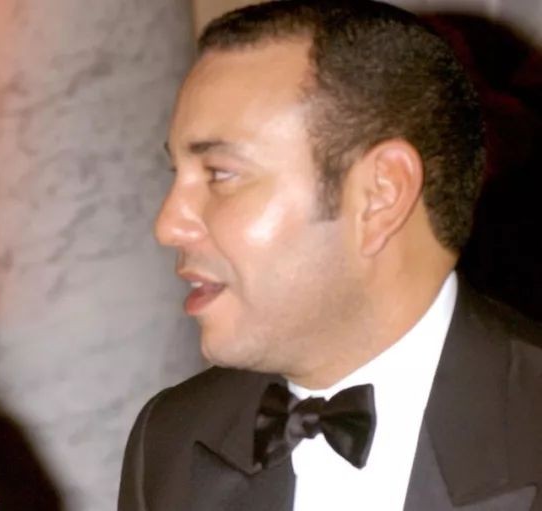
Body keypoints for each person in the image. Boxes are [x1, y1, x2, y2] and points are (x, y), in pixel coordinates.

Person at [119, 1, 542, 510]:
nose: (168, 225)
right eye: (177, 176)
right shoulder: (171, 437)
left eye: (220, 174)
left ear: (381, 195)